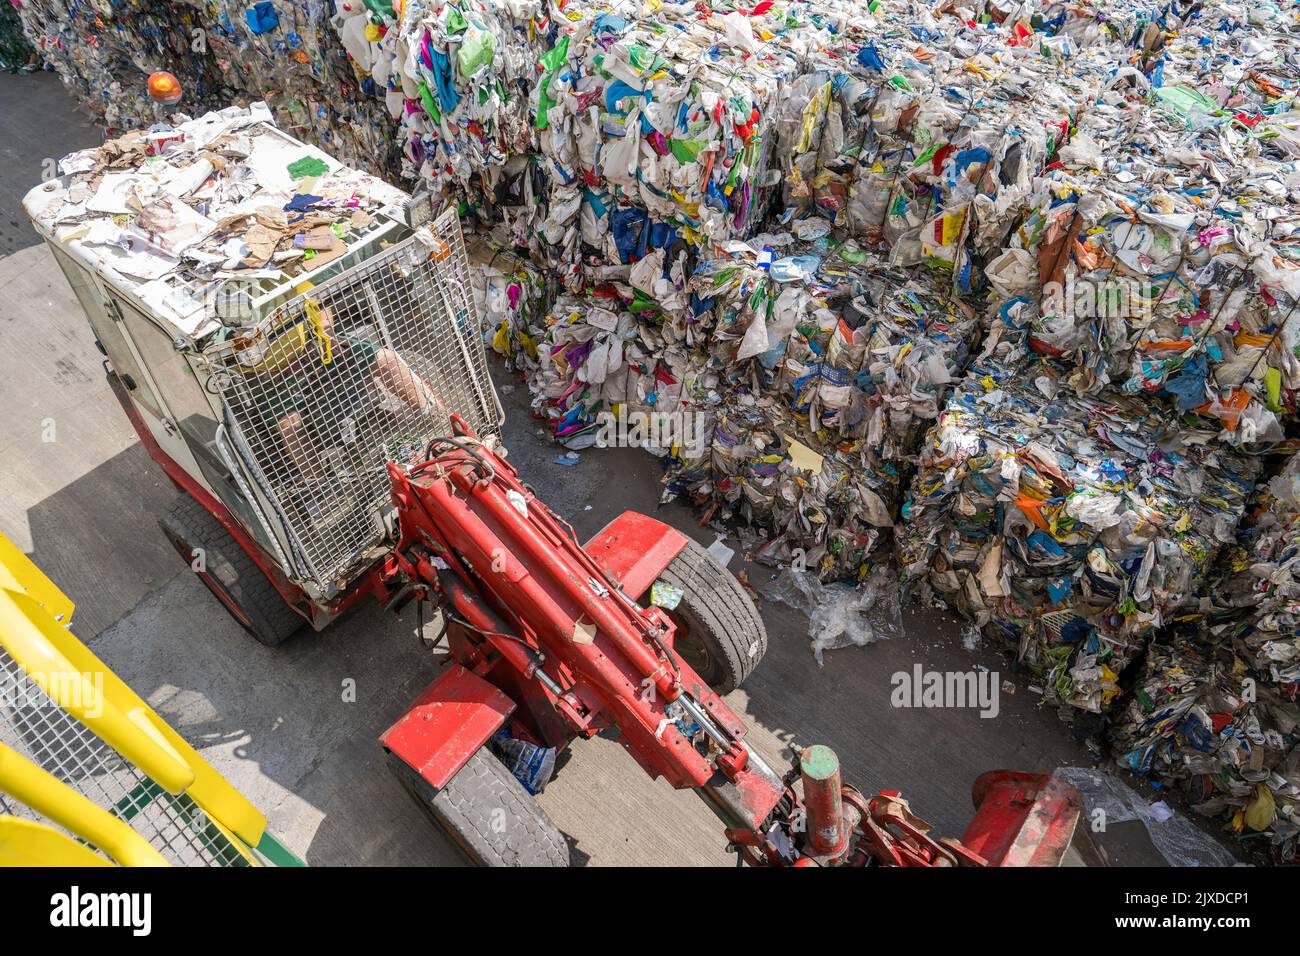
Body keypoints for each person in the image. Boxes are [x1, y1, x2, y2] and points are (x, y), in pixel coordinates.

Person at [260, 293, 440, 509]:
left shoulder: (285, 273)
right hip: (279, 375)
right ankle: (324, 486)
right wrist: (271, 367)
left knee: (385, 358)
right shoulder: (231, 294)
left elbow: (317, 300)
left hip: (318, 347)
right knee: (288, 425)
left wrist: (326, 333)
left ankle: (435, 418)